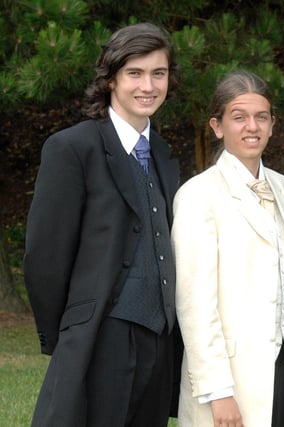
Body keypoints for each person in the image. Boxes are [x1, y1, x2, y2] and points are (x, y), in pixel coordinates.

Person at [23, 23, 181, 426]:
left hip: (159, 341)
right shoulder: (72, 148)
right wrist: (73, 335)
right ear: (111, 78)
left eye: (158, 74)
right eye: (135, 73)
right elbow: (45, 256)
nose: (148, 85)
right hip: (101, 337)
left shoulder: (162, 153)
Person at [171, 70, 284, 427]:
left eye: (262, 117)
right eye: (239, 117)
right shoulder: (198, 195)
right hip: (231, 377)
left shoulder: (283, 187)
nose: (252, 127)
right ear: (217, 127)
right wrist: (217, 391)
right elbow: (194, 304)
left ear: (273, 125)